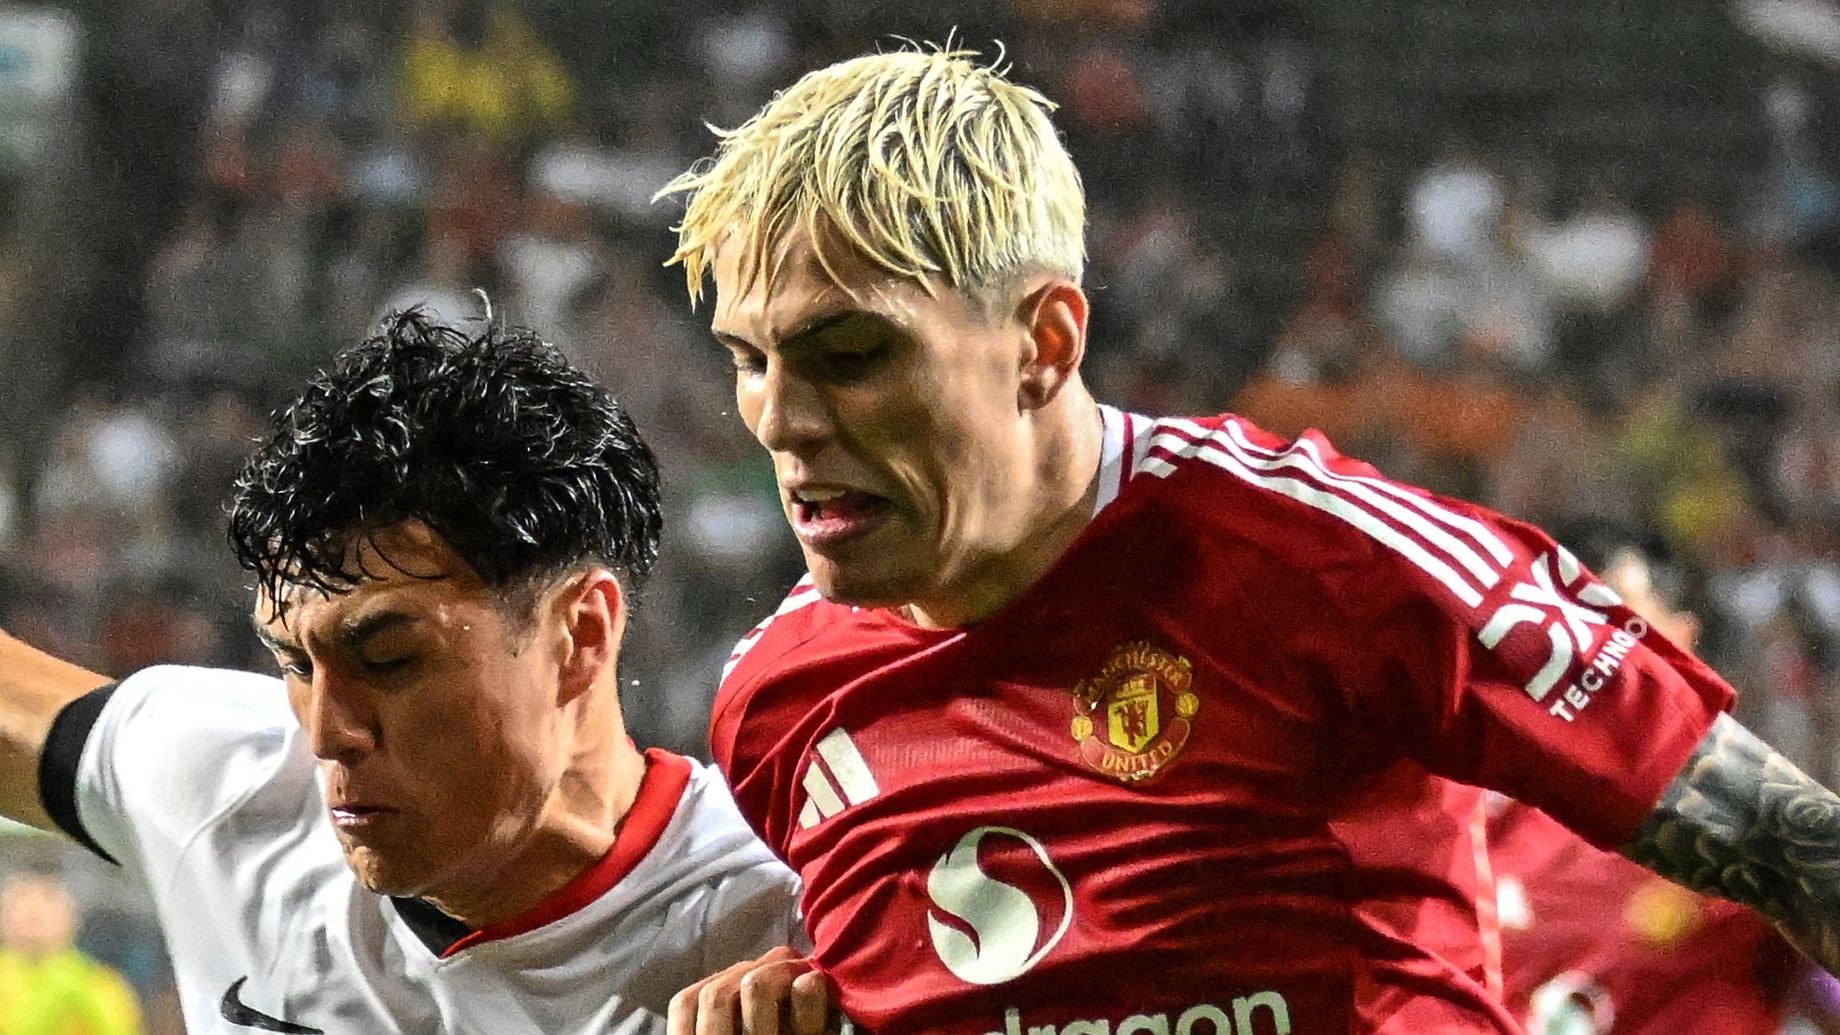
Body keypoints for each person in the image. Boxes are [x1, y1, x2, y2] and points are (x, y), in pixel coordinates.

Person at [654, 47, 1840, 1035]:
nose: (781, 420)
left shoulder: (1323, 558)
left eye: (851, 355)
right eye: (750, 360)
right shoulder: (775, 707)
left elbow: (1793, 850)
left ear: (1043, 342)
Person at [0, 310, 804, 1034]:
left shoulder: (786, 924)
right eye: (296, 663)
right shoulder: (232, 786)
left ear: (580, 633)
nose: (327, 733)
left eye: (388, 658)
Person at [1491, 546, 1840, 1035]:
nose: (1596, 637)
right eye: (1581, 615)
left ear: (1683, 633)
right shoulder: (1515, 812)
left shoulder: (1738, 812)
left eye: (1621, 611)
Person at [0, 870, 142, 1035]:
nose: (33, 911)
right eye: (22, 898)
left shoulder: (98, 981)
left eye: (48, 898)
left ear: (70, 916)